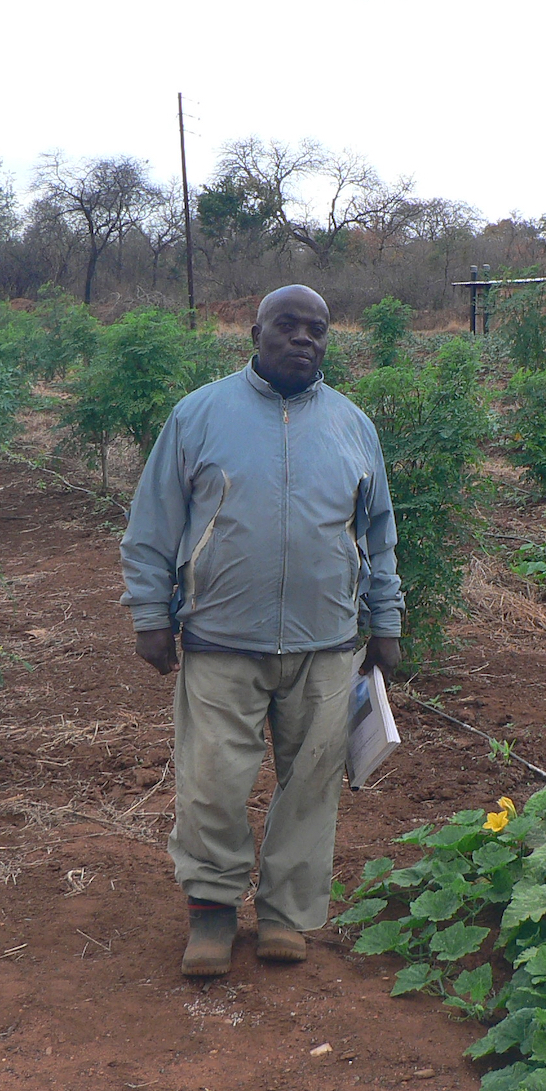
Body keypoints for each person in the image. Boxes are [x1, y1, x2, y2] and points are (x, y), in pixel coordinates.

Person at [120, 284, 402, 976]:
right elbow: (152, 524)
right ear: (255, 332)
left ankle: (284, 915)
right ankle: (211, 913)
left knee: (311, 788)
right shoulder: (200, 415)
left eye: (318, 329)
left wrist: (386, 623)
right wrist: (150, 614)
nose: (304, 338)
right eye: (288, 325)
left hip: (327, 643)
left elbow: (380, 535)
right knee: (211, 783)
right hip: (221, 638)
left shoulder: (352, 425)